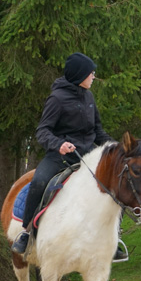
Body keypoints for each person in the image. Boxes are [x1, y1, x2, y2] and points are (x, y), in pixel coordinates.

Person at [12, 53, 127, 262]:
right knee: (38, 182)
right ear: (79, 74)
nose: (94, 76)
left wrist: (115, 147)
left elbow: (98, 132)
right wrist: (59, 144)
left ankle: (113, 240)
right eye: (90, 72)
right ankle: (27, 232)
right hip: (60, 157)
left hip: (87, 156)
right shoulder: (57, 98)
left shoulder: (89, 97)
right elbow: (43, 130)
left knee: (117, 185)